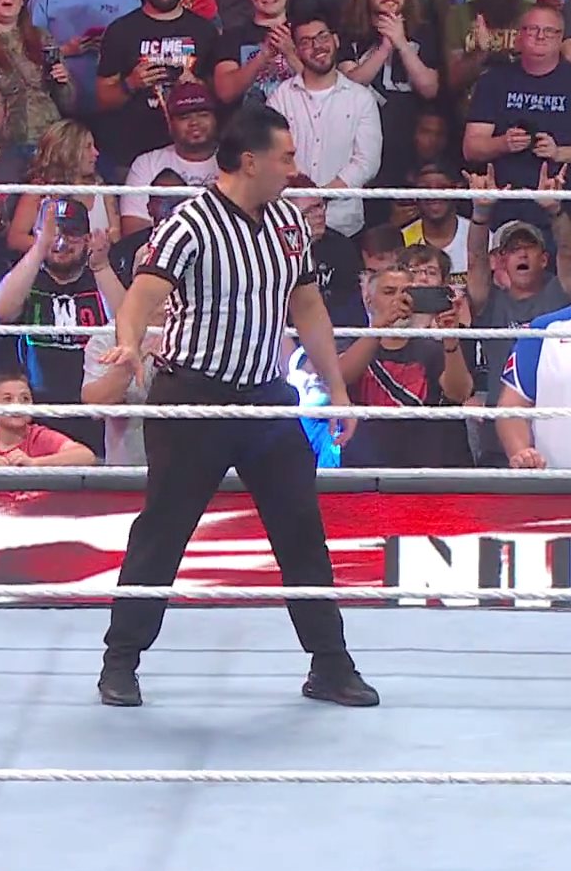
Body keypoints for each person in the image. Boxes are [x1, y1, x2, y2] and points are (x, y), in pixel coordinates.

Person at [95, 104, 377, 708]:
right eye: (286, 157)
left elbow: (307, 307)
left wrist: (338, 389)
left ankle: (330, 664)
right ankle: (120, 661)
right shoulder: (189, 224)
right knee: (163, 532)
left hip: (266, 399)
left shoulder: (289, 222)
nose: (295, 169)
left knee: (302, 530)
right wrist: (129, 344)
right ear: (250, 161)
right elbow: (141, 297)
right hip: (194, 398)